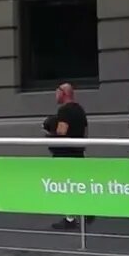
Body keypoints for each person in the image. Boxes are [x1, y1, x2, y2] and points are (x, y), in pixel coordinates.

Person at [43, 82, 92, 231]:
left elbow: (61, 132)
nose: (55, 95)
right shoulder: (80, 110)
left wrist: (50, 132)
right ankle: (85, 212)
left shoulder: (65, 111)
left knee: (65, 185)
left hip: (65, 155)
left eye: (56, 92)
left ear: (63, 93)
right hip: (78, 152)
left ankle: (70, 219)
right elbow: (85, 132)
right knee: (77, 184)